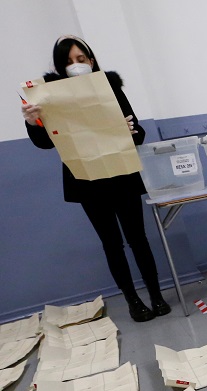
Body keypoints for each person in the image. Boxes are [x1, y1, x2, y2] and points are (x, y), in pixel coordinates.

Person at [22, 35, 170, 322]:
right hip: (85, 179)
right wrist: (32, 121)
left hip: (121, 173)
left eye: (81, 60)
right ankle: (133, 302)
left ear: (91, 61)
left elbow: (138, 132)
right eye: (68, 62)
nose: (76, 66)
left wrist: (130, 131)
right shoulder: (47, 97)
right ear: (59, 68)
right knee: (111, 243)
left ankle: (156, 296)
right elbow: (44, 143)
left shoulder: (110, 87)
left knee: (138, 238)